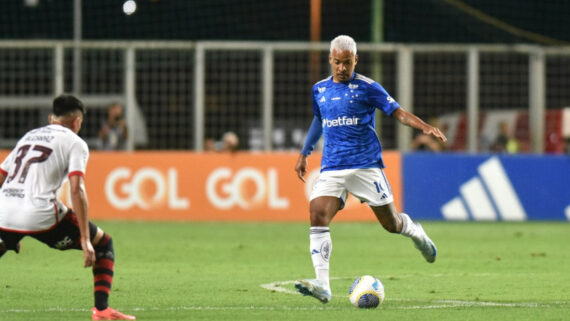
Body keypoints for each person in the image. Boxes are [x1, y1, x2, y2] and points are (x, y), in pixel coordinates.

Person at [293, 35, 447, 303]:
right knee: (317, 213)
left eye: (348, 63)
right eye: (338, 62)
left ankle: (415, 232)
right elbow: (318, 120)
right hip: (332, 167)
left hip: (366, 166)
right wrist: (304, 153)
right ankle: (323, 285)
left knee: (391, 224)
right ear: (330, 59)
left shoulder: (368, 87)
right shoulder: (319, 89)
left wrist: (423, 126)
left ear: (356, 60)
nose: (342, 68)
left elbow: (397, 112)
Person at [0, 94, 135, 320]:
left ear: (52, 117)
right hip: (40, 214)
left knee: (4, 243)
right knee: (103, 243)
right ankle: (101, 310)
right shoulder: (75, 142)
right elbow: (77, 190)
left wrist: (11, 230)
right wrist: (84, 239)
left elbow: (2, 176)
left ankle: (8, 239)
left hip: (4, 210)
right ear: (76, 122)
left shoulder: (29, 136)